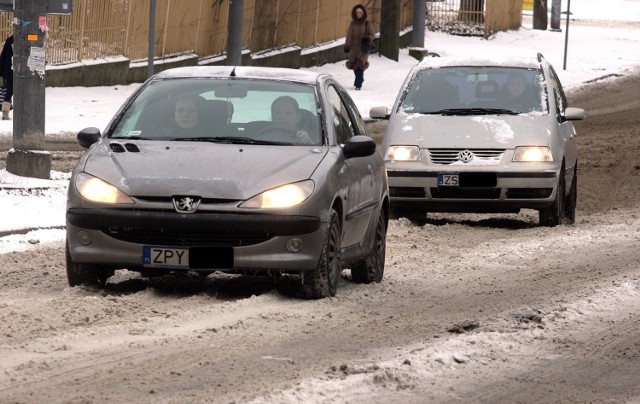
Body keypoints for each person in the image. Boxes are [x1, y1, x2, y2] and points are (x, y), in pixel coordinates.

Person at [343, 4, 375, 90]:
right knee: (354, 66)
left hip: (364, 48)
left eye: (360, 13)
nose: (359, 14)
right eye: (358, 13)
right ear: (355, 14)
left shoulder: (367, 23)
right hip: (354, 48)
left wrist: (368, 38)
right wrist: (347, 45)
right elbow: (349, 35)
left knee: (360, 65)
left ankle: (358, 84)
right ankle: (360, 79)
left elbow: (372, 34)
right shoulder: (353, 24)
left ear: (363, 14)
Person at [0, 34, 13, 120]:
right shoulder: (11, 40)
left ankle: (5, 112)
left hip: (9, 71)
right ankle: (5, 112)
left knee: (9, 91)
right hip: (10, 71)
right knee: (9, 91)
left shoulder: (10, 40)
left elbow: (2, 57)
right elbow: (3, 57)